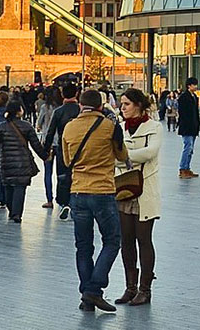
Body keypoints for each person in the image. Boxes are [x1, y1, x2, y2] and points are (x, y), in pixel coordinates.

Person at [62, 89, 129, 313]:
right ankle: (94, 287)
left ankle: (86, 296)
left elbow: (66, 159)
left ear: (81, 105)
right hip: (102, 191)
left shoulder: (70, 127)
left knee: (83, 246)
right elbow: (122, 155)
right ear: (101, 106)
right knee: (112, 240)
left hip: (78, 192)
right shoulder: (110, 127)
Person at [115, 88, 162, 306]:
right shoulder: (119, 127)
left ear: (139, 105)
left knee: (144, 239)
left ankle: (145, 289)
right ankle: (130, 287)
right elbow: (109, 153)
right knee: (126, 240)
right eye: (121, 104)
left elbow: (150, 153)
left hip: (144, 190)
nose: (122, 108)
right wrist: (128, 159)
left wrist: (123, 157)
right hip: (123, 188)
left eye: (126, 104)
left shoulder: (154, 127)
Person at [0, 100, 50, 223]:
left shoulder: (2, 126)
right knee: (20, 188)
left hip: (6, 163)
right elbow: (36, 145)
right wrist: (45, 156)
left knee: (8, 186)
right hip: (23, 163)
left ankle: (11, 210)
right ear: (19, 112)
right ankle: (17, 214)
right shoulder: (27, 126)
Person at [45, 81, 83, 219]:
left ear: (62, 94)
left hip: (63, 147)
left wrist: (45, 150)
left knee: (62, 176)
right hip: (81, 148)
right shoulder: (81, 110)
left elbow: (50, 132)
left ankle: (63, 202)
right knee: (78, 175)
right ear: (77, 94)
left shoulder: (58, 112)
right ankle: (76, 202)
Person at [37, 86, 60, 209]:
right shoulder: (60, 108)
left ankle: (49, 199)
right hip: (60, 143)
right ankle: (61, 198)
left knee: (48, 173)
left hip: (48, 143)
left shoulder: (45, 107)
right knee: (61, 172)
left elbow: (39, 123)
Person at [177, 77, 200, 179]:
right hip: (186, 127)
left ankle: (187, 168)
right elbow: (182, 113)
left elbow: (196, 113)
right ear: (189, 86)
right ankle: (182, 169)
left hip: (193, 127)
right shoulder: (184, 97)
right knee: (188, 147)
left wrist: (198, 125)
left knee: (191, 149)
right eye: (194, 85)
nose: (195, 86)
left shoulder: (195, 97)